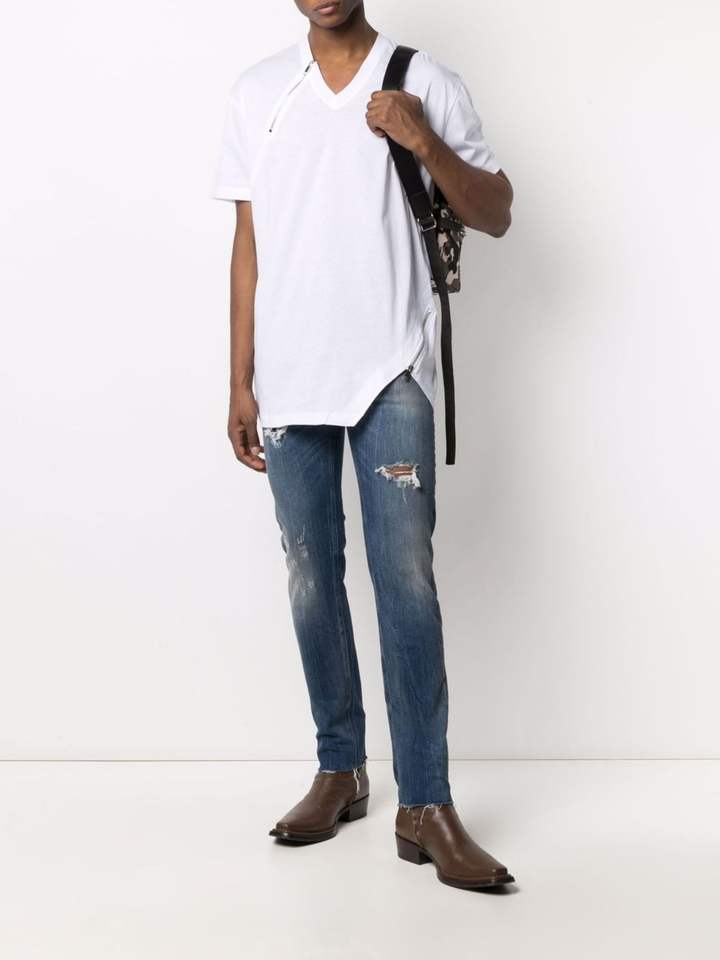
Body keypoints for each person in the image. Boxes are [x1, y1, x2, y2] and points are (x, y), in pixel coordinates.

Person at [213, 0, 515, 889]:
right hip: (290, 378)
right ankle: (340, 768)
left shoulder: (423, 80)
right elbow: (248, 242)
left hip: (392, 369)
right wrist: (239, 377)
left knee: (405, 580)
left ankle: (426, 804)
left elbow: (497, 212)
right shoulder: (260, 91)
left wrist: (424, 140)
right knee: (311, 577)